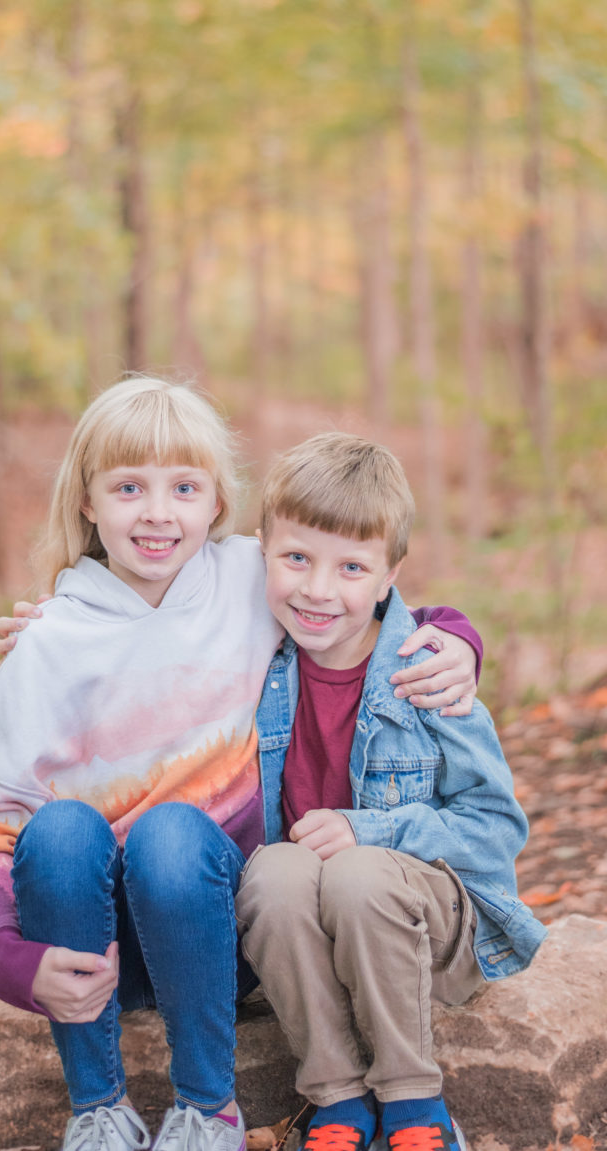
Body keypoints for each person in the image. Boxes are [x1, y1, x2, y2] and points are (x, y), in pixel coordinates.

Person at [0, 376, 482, 1151]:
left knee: (172, 829)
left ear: (216, 503)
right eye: (129, 486)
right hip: (96, 948)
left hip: (221, 933)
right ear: (88, 502)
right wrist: (7, 957)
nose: (158, 511)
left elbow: (362, 598)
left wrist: (460, 637)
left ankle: (208, 1109)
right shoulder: (49, 641)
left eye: (184, 486)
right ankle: (97, 1109)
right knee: (60, 828)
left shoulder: (246, 577)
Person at [234, 433, 548, 1151]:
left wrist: (370, 830)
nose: (317, 588)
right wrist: (57, 622)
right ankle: (337, 1100)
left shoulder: (430, 673)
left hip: (427, 920)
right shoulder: (253, 657)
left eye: (350, 566)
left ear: (388, 576)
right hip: (309, 920)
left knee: (357, 868)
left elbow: (495, 829)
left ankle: (414, 1106)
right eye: (296, 558)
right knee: (273, 870)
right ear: (262, 550)